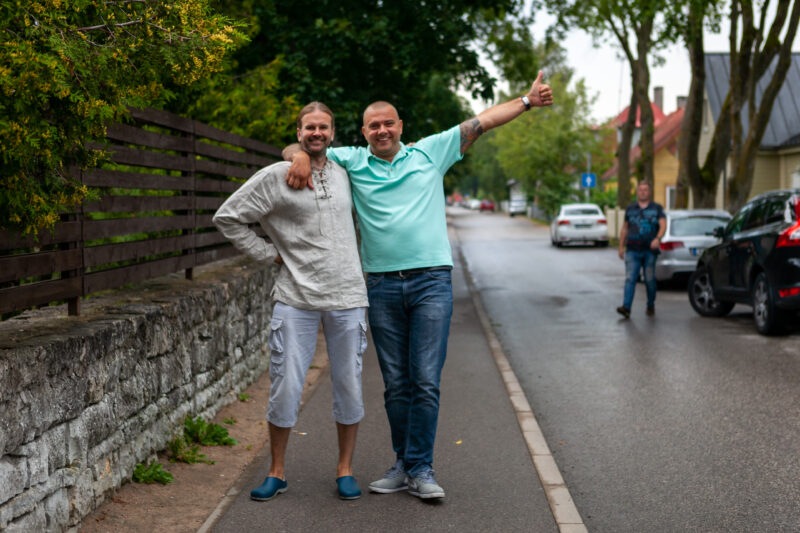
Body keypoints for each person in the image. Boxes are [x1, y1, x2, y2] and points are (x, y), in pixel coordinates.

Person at [284, 72, 553, 500]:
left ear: (400, 126)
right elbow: (307, 144)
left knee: (425, 380)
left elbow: (482, 121)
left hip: (431, 282)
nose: (382, 130)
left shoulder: (431, 151)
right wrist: (298, 155)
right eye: (374, 125)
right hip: (382, 285)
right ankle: (402, 464)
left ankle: (421, 467)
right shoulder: (352, 160)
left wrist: (526, 101)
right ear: (364, 132)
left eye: (388, 123)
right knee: (396, 384)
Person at [213, 102, 369, 502]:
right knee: (285, 386)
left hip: (348, 295)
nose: (316, 133)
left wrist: (299, 155)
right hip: (295, 296)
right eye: (309, 128)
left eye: (323, 128)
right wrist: (270, 254)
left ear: (332, 133)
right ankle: (277, 472)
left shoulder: (347, 172)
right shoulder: (276, 176)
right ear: (299, 133)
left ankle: (345, 470)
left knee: (349, 385)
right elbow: (228, 217)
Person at [616, 181, 666, 318]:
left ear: (649, 192)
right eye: (640, 190)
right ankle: (626, 307)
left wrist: (658, 238)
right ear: (637, 192)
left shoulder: (657, 208)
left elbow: (663, 225)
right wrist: (621, 246)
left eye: (645, 190)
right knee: (630, 278)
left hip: (649, 250)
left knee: (649, 279)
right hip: (632, 249)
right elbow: (625, 228)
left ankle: (650, 304)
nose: (643, 192)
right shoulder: (630, 209)